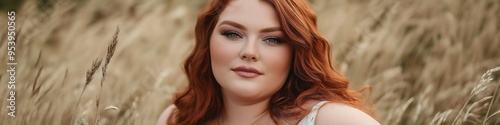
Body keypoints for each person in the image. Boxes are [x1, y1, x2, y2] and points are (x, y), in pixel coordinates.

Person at [157, 0, 380, 124]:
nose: (249, 52)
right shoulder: (177, 118)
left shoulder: (333, 121)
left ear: (295, 51)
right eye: (233, 34)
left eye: (272, 39)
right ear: (208, 40)